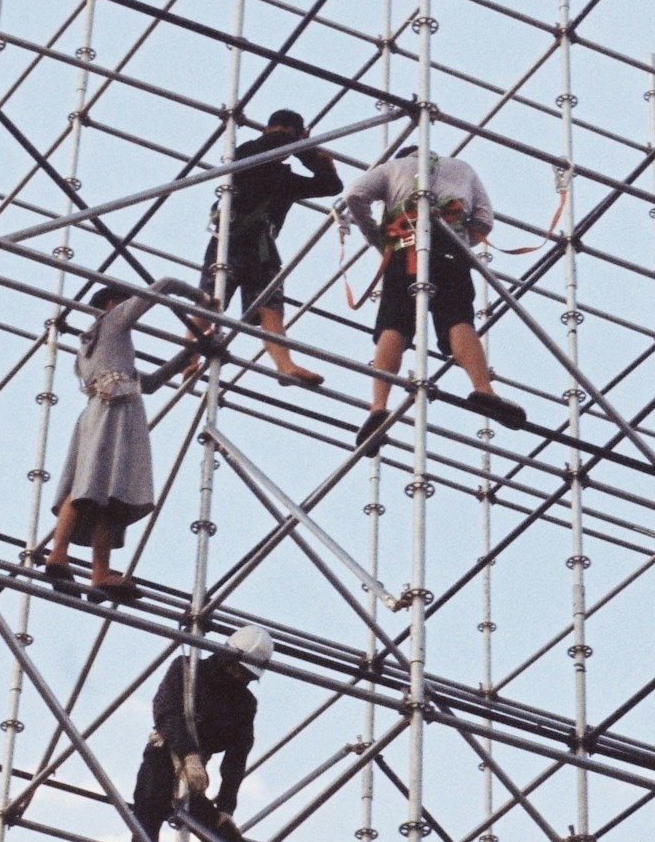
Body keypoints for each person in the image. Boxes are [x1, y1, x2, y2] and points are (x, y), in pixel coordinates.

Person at [340, 144, 527, 447]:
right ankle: (483, 388)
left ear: (403, 155)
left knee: (393, 324)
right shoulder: (462, 168)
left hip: (405, 251)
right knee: (457, 319)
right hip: (449, 251)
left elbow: (354, 195)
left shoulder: (392, 168)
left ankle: (378, 406)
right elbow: (484, 220)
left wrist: (377, 236)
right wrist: (460, 236)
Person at [123, 625, 278, 842]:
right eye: (237, 669)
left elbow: (238, 754)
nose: (239, 677)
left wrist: (226, 806)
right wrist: (189, 753)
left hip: (195, 782)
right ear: (225, 656)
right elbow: (165, 712)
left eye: (246, 674)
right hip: (163, 761)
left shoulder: (244, 702)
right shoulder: (188, 670)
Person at [45, 278, 201, 601]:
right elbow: (164, 285)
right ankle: (89, 568)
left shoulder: (92, 347)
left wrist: (191, 352)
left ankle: (69, 557)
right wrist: (203, 299)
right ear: (112, 304)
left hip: (99, 409)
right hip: (116, 409)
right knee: (109, 489)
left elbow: (152, 382)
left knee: (98, 488)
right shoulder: (114, 322)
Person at [199, 108, 341, 388]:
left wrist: (310, 155)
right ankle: (189, 358)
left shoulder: (283, 177)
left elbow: (331, 186)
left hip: (261, 247)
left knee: (270, 308)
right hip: (231, 238)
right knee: (210, 302)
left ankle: (285, 365)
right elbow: (274, 144)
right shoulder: (248, 153)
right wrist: (303, 145)